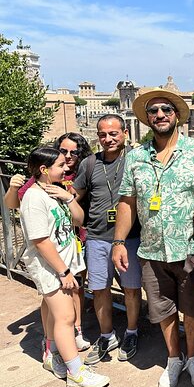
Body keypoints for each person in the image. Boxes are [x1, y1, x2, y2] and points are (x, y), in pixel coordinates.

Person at [112, 89, 194, 387]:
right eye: (153, 111)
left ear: (176, 116)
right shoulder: (134, 157)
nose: (159, 115)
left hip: (193, 248)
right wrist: (118, 242)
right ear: (146, 119)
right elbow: (127, 202)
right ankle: (174, 358)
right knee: (162, 309)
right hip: (152, 248)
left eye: (166, 110)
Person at [19, 147, 109, 387]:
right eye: (60, 165)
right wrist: (63, 272)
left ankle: (52, 354)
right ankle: (76, 372)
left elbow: (80, 220)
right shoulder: (33, 198)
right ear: (44, 169)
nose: (66, 167)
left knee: (54, 314)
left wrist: (68, 198)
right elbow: (40, 241)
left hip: (63, 263)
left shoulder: (53, 192)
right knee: (66, 317)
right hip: (52, 267)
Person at [4, 133, 93, 356]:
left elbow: (80, 216)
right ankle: (59, 346)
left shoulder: (78, 171)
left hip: (73, 241)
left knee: (76, 290)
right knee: (58, 304)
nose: (69, 156)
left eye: (74, 152)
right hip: (54, 250)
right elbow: (17, 207)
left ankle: (71, 334)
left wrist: (68, 197)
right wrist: (13, 188)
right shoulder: (41, 181)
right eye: (64, 152)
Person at [74, 114, 142, 365]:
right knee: (100, 289)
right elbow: (76, 194)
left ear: (125, 133)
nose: (108, 139)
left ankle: (132, 332)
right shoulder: (89, 164)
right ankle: (106, 335)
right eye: (102, 134)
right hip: (97, 237)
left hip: (131, 237)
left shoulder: (135, 161)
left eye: (113, 133)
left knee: (132, 289)